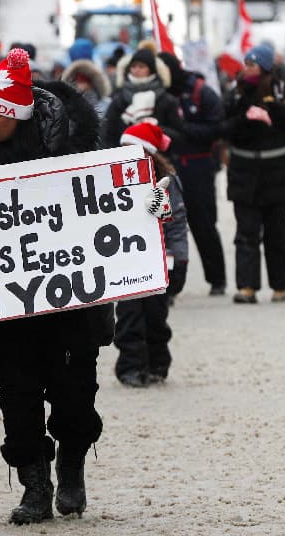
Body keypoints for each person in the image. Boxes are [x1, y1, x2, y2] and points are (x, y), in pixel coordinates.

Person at [0, 48, 175, 524]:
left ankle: (73, 464)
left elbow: (112, 204)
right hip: (8, 308)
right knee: (17, 397)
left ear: (16, 118)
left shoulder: (80, 148)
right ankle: (34, 486)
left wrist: (149, 212)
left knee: (76, 395)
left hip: (71, 305)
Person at [220, 45, 285, 304]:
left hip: (277, 172)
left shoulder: (282, 91)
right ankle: (247, 286)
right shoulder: (235, 94)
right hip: (244, 173)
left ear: (266, 67)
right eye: (246, 63)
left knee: (276, 232)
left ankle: (280, 285)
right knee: (246, 231)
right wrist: (246, 118)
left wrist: (275, 110)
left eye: (253, 64)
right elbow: (222, 127)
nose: (248, 68)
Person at [113, 121, 187, 387]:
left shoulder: (167, 181)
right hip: (128, 258)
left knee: (156, 316)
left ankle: (157, 363)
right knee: (129, 316)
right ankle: (130, 367)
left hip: (160, 259)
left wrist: (179, 260)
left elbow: (177, 224)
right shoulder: (111, 179)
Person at [159, 51, 228, 296]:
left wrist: (183, 130)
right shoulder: (159, 94)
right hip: (167, 167)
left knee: (204, 224)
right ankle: (167, 283)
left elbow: (217, 127)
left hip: (197, 166)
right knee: (166, 228)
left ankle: (217, 279)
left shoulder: (200, 91)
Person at [102, 47, 183, 150]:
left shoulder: (166, 100)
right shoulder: (120, 99)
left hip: (159, 160)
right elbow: (107, 133)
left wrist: (155, 128)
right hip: (127, 160)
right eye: (133, 66)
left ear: (151, 70)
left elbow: (179, 136)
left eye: (141, 66)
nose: (136, 70)